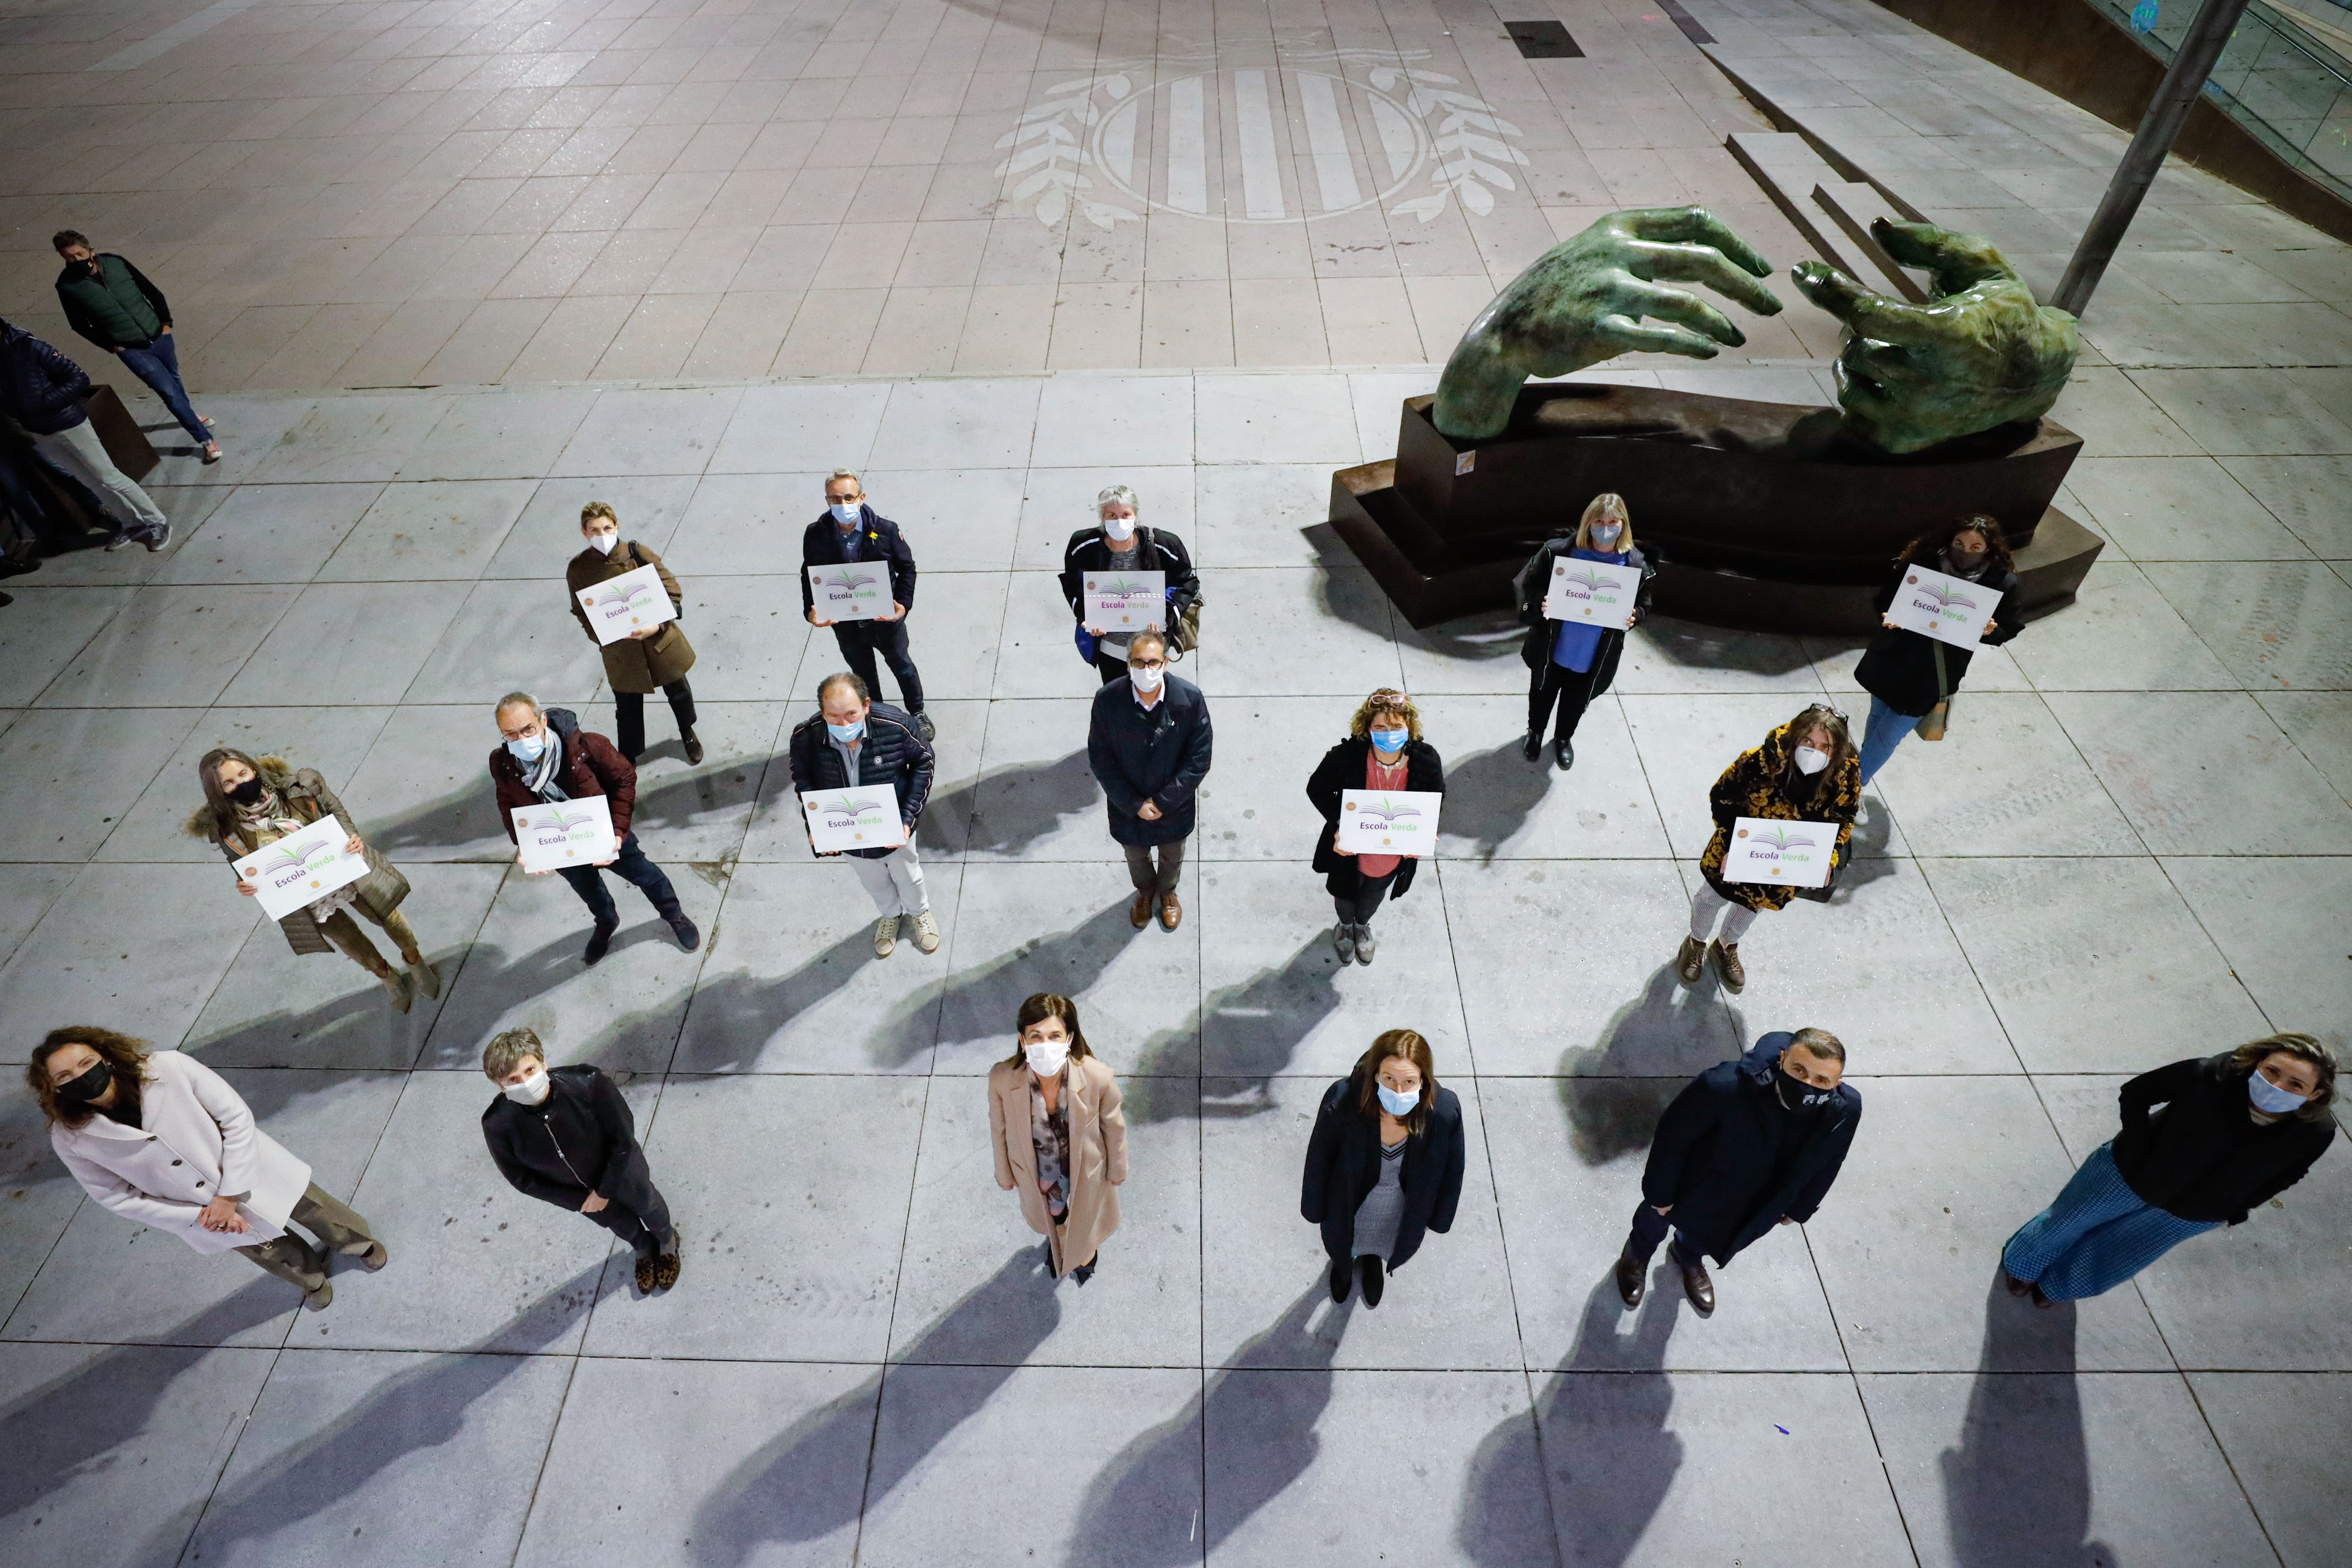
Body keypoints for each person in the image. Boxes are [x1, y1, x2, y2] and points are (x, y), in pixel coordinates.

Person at [30, 1027, 387, 1310]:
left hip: (249, 1169)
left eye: (86, 1062)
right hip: (201, 1213)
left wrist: (229, 1195)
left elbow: (235, 1117)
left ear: (105, 1056)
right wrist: (201, 1215)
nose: (81, 1076)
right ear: (55, 1089)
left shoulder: (167, 1067)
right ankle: (311, 1280)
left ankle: (359, 1244)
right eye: (64, 1076)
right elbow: (116, 1197)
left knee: (314, 1209)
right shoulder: (71, 1138)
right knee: (265, 1249)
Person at [2001, 1033, 2337, 1307]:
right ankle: (2024, 1264)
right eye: (2272, 1071)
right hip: (2129, 1176)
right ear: (2258, 1063)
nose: (2277, 1086)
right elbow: (2137, 1094)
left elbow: (2291, 1174)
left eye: (2296, 1084)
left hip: (2195, 1211)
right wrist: (2136, 1149)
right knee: (2070, 1219)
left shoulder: (2315, 1133)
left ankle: (2060, 1287)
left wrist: (2237, 1208)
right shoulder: (2209, 1076)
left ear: (2315, 1094)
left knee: (2120, 1254)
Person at [1618, 1028, 1858, 1314]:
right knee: (1655, 1220)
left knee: (1709, 1234)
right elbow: (1673, 1139)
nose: (1808, 1084)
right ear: (1782, 1059)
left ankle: (1688, 1256)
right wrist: (1660, 1193)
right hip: (1695, 1183)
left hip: (1749, 1199)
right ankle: (1638, 1253)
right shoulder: (1725, 1086)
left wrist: (1800, 1207)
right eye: (1799, 1070)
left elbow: (1832, 1159)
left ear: (1837, 1083)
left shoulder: (1846, 1109)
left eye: (1821, 1080)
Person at [187, 749, 438, 1012]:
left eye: (243, 774)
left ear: (253, 769)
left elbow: (334, 809)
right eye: (229, 783)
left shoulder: (300, 786)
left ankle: (415, 961)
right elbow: (239, 862)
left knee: (387, 914)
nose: (240, 784)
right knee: (348, 940)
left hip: (342, 866)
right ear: (218, 792)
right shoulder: (224, 827)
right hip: (303, 893)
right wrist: (244, 882)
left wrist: (351, 835)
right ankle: (388, 978)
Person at [489, 691, 698, 965]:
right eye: (511, 734)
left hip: (604, 834)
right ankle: (606, 921)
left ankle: (674, 914)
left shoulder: (587, 747)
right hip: (560, 844)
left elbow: (625, 779)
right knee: (588, 890)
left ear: (543, 720)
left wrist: (618, 832)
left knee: (647, 876)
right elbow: (508, 805)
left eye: (528, 729)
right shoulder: (503, 763)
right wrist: (526, 845)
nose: (522, 739)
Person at [479, 1027, 680, 1295]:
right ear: (501, 1087)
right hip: (579, 1194)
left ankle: (667, 1240)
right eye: (513, 1079)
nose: (525, 1082)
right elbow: (521, 1179)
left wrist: (604, 1190)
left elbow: (622, 1136)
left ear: (544, 1063)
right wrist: (577, 1201)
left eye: (530, 1070)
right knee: (618, 1222)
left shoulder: (588, 1083)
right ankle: (643, 1247)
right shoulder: (498, 1124)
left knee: (647, 1203)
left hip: (622, 1171)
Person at [1678, 702, 1858, 993]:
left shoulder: (1844, 777)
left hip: (1785, 863)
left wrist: (1828, 858)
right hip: (1736, 851)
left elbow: (1842, 818)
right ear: (1796, 736)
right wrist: (1732, 846)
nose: (1815, 751)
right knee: (1712, 899)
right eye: (1808, 741)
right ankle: (1696, 942)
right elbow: (1722, 797)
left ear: (1836, 751)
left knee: (1752, 906)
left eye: (1826, 746)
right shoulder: (1759, 762)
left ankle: (1726, 946)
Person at [1854, 514, 2022, 788]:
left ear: (1989, 548)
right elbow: (1885, 599)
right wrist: (1888, 615)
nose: (1966, 552)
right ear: (1950, 540)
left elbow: (2010, 627)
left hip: (1932, 674)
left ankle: (1847, 792)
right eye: (1960, 543)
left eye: (1976, 547)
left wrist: (1992, 631)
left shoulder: (2002, 583)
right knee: (1878, 719)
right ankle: (1857, 782)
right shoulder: (1925, 564)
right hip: (1893, 657)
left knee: (1888, 736)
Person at [1301, 1029, 1466, 1308]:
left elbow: (1454, 1169)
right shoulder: (1343, 1102)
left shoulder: (1443, 1112)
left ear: (1423, 1082)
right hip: (1349, 1202)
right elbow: (1319, 1158)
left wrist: (1440, 1218)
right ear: (1375, 1075)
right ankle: (1343, 1266)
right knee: (1344, 1241)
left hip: (1400, 1208)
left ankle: (1373, 1261)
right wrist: (1314, 1208)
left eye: (1409, 1081)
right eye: (1389, 1079)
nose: (1398, 1091)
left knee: (1383, 1240)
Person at [785, 671, 939, 959]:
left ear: (867, 705)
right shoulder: (806, 737)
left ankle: (920, 912)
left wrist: (907, 818)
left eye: (852, 715)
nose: (843, 724)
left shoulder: (895, 726)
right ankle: (890, 916)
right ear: (822, 712)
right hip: (847, 831)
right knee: (873, 881)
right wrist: (816, 826)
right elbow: (803, 781)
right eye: (833, 716)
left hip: (894, 826)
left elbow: (924, 762)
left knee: (908, 875)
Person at [988, 993, 1127, 1284]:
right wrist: (1003, 1172)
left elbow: (1113, 1126)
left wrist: (1117, 1169)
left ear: (1069, 1039)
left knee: (1085, 1228)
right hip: (1038, 1179)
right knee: (1054, 1221)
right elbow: (999, 1128)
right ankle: (1058, 1244)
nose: (1045, 1045)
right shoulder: (1003, 1079)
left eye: (1055, 1036)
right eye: (1035, 1037)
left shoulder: (1097, 1077)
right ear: (1023, 1041)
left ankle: (1082, 1257)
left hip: (1083, 1176)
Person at [0, 316, 168, 551]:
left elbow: (78, 378)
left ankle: (157, 521)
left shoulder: (29, 347)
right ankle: (130, 523)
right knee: (89, 481)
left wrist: (46, 403)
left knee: (109, 477)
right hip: (40, 432)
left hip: (69, 425)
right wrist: (20, 413)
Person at [52, 230, 218, 463]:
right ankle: (205, 440)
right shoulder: (68, 286)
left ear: (90, 251)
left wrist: (166, 324)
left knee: (174, 379)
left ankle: (189, 414)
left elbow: (151, 291)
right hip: (132, 349)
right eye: (68, 258)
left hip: (159, 335)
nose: (75, 261)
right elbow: (79, 324)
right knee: (168, 392)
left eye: (79, 254)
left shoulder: (115, 263)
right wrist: (113, 346)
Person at [1306, 688, 1445, 965]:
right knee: (1344, 895)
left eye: (1396, 726)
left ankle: (1362, 926)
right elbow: (1316, 788)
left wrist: (1425, 831)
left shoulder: (1426, 760)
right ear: (1368, 729)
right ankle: (1345, 927)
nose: (1388, 732)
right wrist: (1338, 826)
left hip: (1392, 856)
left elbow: (1437, 796)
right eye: (1380, 726)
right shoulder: (1347, 757)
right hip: (1350, 852)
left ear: (1409, 727)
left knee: (1374, 895)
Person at [1516, 491, 1653, 770]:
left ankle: (1563, 739)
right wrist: (1541, 599)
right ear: (1587, 523)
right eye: (1599, 521)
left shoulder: (1635, 566)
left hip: (1594, 654)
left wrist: (1635, 615)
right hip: (1552, 645)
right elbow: (1529, 584)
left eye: (1613, 522)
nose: (1606, 528)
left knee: (1576, 702)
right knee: (1541, 693)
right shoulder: (1559, 552)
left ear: (1623, 526)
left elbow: (1644, 603)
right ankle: (1535, 732)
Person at [1086, 630, 1212, 932]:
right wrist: (1134, 804)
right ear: (1128, 664)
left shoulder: (1189, 700)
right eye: (1138, 663)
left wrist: (1161, 802)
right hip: (1128, 807)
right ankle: (1145, 893)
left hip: (1173, 807)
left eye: (1153, 662)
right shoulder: (1108, 701)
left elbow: (1199, 759)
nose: (1147, 670)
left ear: (1166, 664)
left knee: (1172, 856)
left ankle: (1168, 893)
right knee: (1135, 856)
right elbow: (1101, 758)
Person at [566, 500, 702, 764]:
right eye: (594, 530)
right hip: (620, 649)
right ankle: (628, 755)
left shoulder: (638, 554)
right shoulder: (579, 569)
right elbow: (580, 611)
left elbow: (672, 590)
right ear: (585, 533)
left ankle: (687, 732)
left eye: (607, 528)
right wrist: (604, 635)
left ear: (617, 526)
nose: (601, 535)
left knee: (678, 691)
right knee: (627, 706)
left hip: (658, 641)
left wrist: (658, 625)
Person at [801, 469, 931, 742]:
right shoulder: (816, 535)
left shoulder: (886, 530)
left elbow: (907, 569)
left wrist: (903, 605)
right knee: (864, 674)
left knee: (902, 665)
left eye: (849, 497)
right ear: (827, 501)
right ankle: (879, 716)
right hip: (846, 625)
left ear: (861, 497)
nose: (843, 504)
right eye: (836, 499)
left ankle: (917, 712)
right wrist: (811, 609)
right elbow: (808, 574)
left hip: (885, 620)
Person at [1059, 483, 1202, 685]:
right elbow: (1072, 584)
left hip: (1152, 647)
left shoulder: (1163, 544)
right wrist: (1086, 616)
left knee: (1152, 698)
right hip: (1109, 648)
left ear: (1136, 515)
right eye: (1111, 515)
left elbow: (1188, 582)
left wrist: (1167, 616)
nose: (1119, 521)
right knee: (1115, 701)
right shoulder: (1083, 546)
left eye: (1125, 515)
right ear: (1102, 518)